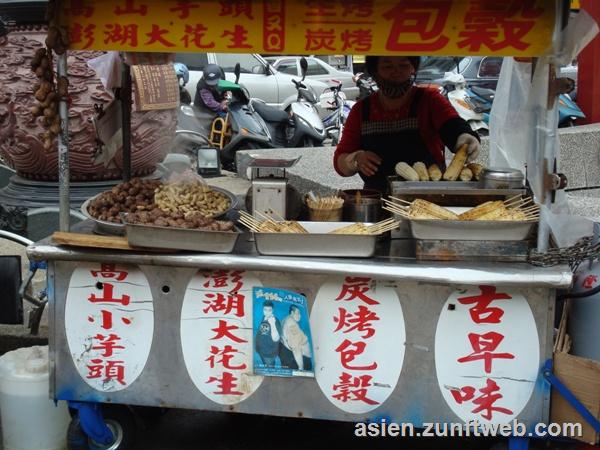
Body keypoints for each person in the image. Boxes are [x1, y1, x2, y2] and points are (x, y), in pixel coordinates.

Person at [333, 56, 481, 193]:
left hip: (428, 197)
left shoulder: (430, 100)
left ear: (413, 68)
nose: (396, 73)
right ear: (375, 71)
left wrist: (465, 137)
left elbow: (453, 126)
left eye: (403, 65)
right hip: (377, 199)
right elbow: (340, 164)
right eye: (387, 67)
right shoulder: (361, 110)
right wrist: (356, 159)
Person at [279, 305, 312, 371]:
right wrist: (301, 367)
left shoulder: (285, 319)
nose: (300, 316)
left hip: (287, 355)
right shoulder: (291, 323)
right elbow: (296, 348)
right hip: (298, 359)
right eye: (298, 313)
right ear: (292, 313)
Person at [255, 300, 282, 367]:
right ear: (263, 309)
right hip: (261, 351)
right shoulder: (264, 317)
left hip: (269, 354)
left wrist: (272, 323)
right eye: (265, 310)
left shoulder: (275, 321)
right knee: (265, 365)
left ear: (273, 310)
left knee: (270, 369)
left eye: (269, 310)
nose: (267, 312)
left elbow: (276, 339)